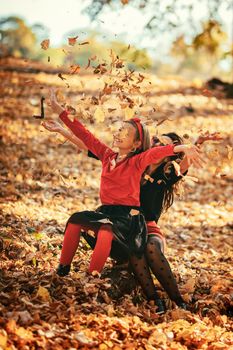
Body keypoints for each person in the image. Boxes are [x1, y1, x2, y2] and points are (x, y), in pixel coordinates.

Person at [42, 89, 203, 311]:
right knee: (80, 222)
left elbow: (167, 159)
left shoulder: (154, 168)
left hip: (135, 223)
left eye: (124, 132)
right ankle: (65, 268)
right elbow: (87, 138)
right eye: (155, 140)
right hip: (111, 216)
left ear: (138, 144)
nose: (156, 143)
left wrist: (185, 147)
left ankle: (177, 301)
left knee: (137, 246)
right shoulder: (113, 156)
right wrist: (59, 113)